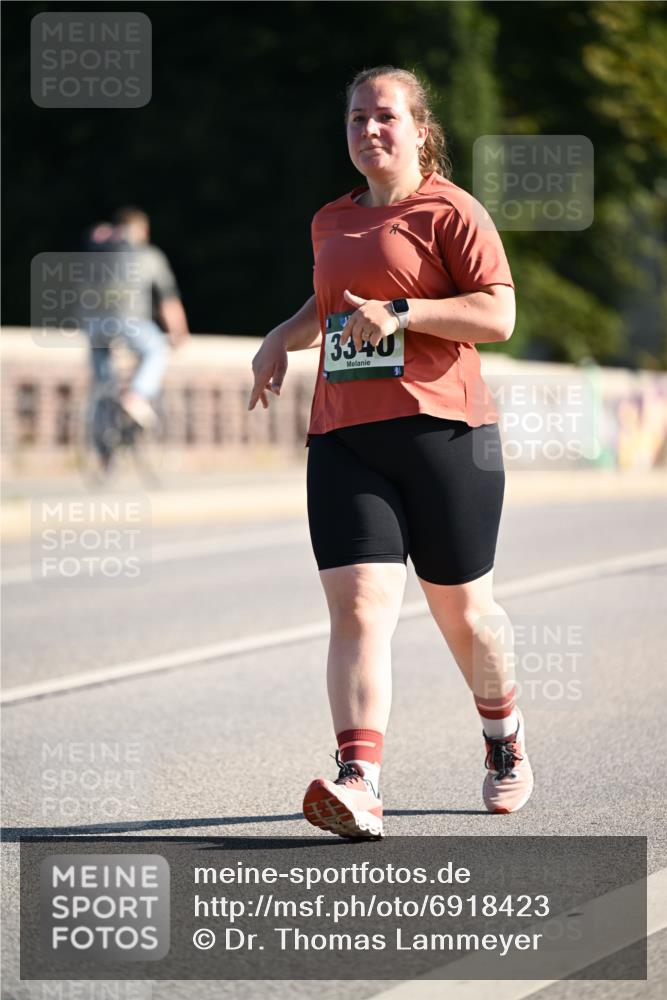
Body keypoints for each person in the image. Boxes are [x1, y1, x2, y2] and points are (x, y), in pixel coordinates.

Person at [248, 66, 532, 839]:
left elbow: (497, 314)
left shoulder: (451, 211)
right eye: (355, 118)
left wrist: (403, 311)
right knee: (358, 607)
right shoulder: (329, 221)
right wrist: (279, 337)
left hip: (445, 435)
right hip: (344, 436)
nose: (368, 130)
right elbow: (330, 305)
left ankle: (503, 738)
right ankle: (358, 781)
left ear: (418, 129)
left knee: (467, 618)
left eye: (384, 117)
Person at [81, 207, 190, 427]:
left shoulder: (101, 251)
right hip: (131, 322)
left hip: (95, 325)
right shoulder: (149, 256)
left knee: (104, 379)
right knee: (156, 349)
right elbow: (168, 301)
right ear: (142, 230)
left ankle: (105, 425)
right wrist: (179, 333)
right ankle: (137, 395)